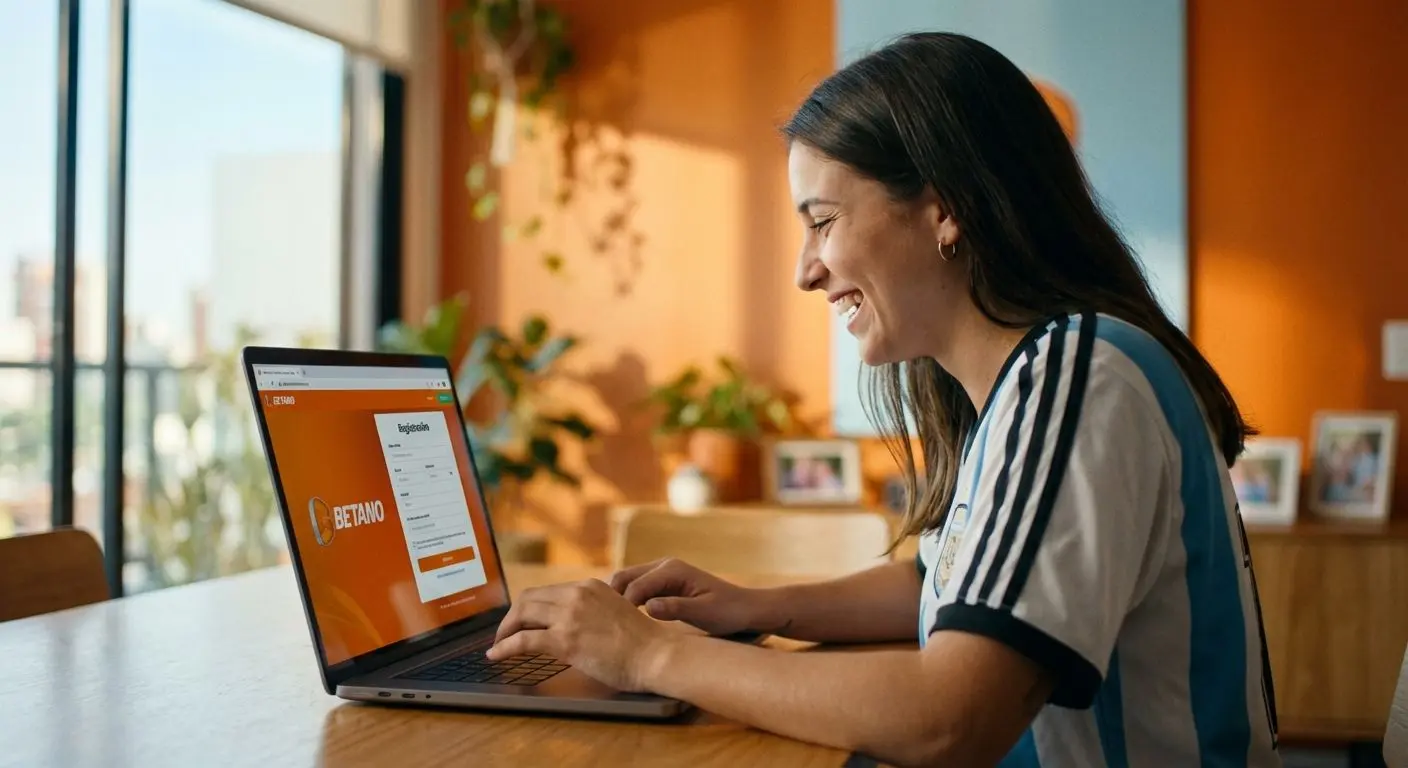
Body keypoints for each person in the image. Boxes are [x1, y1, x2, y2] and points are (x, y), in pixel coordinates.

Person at [487, 32, 1281, 767]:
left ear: (944, 209)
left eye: (823, 222)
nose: (806, 270)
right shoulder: (1034, 381)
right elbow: (948, 585)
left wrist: (651, 654)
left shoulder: (1079, 380)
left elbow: (951, 719)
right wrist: (757, 605)